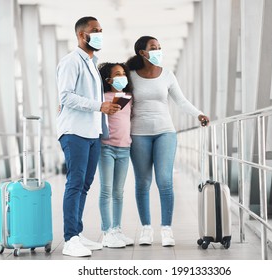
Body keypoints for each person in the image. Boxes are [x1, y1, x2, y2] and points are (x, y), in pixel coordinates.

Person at [126, 36, 209, 247]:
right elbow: (115, 96)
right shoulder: (131, 76)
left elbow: (181, 101)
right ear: (142, 53)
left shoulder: (168, 75)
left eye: (160, 47)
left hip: (165, 132)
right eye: (154, 48)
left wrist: (198, 114)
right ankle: (146, 228)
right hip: (138, 134)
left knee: (164, 181)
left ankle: (166, 229)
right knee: (143, 182)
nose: (158, 50)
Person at [56, 16, 121, 257]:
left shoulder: (93, 63)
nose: (100, 34)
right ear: (82, 35)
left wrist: (105, 109)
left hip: (92, 133)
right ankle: (70, 238)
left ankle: (77, 233)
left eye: (102, 30)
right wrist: (99, 106)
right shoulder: (71, 61)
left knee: (84, 185)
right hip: (75, 132)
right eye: (95, 30)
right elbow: (66, 97)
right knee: (75, 183)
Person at [98, 62, 134, 248]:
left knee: (118, 192)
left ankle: (117, 230)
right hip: (106, 148)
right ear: (109, 80)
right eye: (117, 74)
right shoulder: (103, 97)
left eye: (123, 74)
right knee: (106, 191)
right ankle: (107, 232)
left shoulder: (128, 97)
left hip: (124, 149)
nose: (122, 77)